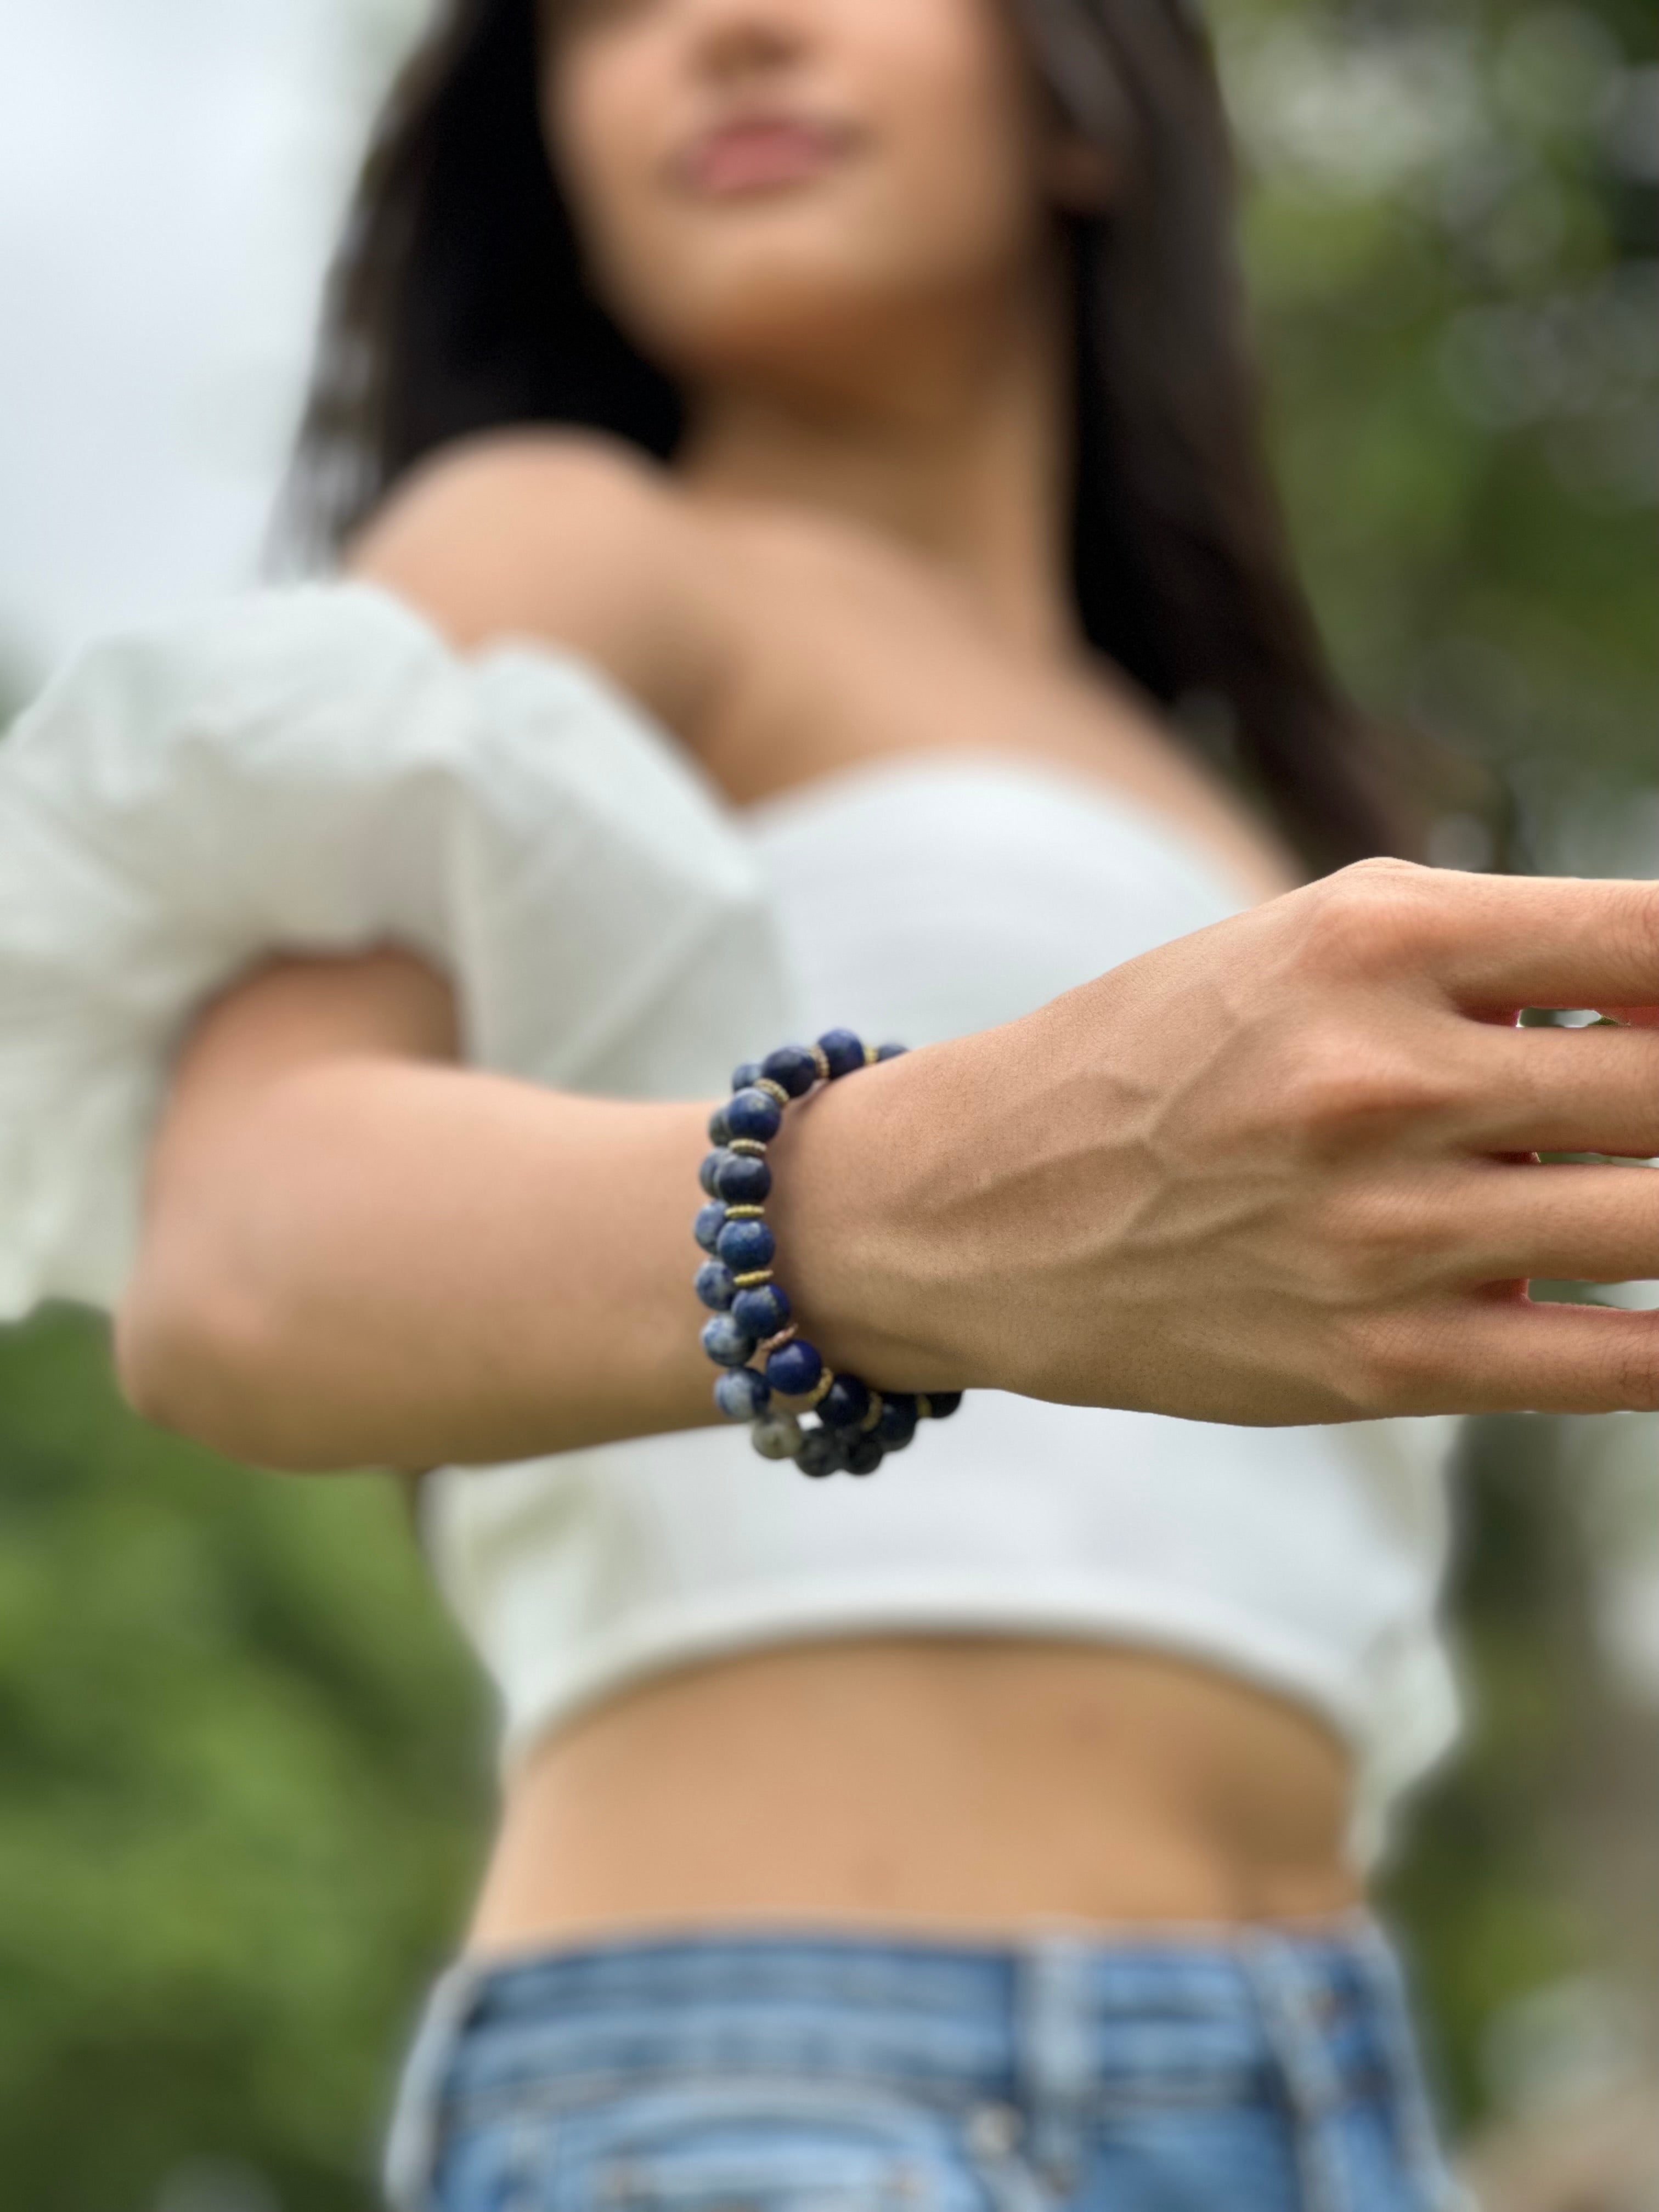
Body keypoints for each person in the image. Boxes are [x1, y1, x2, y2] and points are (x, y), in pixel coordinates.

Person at [2, 0, 1657, 2205]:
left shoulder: (1257, 803)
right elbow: (233, 1258)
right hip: (794, 2078)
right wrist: (919, 1207)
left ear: (1077, 100)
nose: (729, 31)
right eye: (610, 11)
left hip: (1339, 2095)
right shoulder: (588, 552)